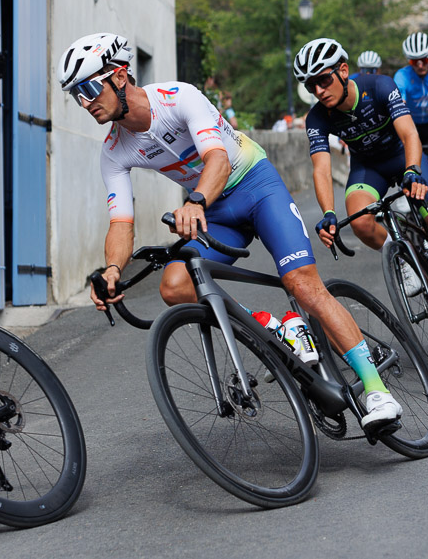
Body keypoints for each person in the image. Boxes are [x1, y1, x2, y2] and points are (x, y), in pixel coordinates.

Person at [59, 32, 403, 431]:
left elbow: (218, 160)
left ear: (119, 76)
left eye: (87, 88)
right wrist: (112, 270)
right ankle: (274, 326)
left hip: (255, 186)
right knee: (174, 286)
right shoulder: (114, 149)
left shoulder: (177, 97)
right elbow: (121, 221)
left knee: (303, 285)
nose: (84, 102)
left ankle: (378, 391)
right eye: (74, 95)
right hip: (215, 209)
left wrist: (196, 202)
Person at [296, 37, 428, 343]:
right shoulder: (316, 117)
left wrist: (412, 171)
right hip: (368, 168)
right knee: (360, 221)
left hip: (403, 158)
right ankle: (403, 258)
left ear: (343, 70)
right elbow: (321, 169)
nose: (319, 91)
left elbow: (409, 133)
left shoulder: (378, 86)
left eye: (324, 80)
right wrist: (328, 212)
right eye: (311, 85)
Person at [393, 32, 428, 179]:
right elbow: (400, 108)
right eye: (413, 61)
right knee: (411, 172)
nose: (419, 65)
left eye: (423, 60)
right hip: (412, 126)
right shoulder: (402, 76)